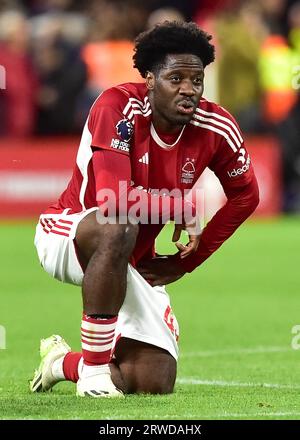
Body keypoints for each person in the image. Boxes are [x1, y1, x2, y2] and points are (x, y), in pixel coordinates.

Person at [30, 21, 259, 398]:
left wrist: (184, 262)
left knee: (152, 382)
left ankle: (62, 362)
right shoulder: (117, 106)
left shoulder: (216, 126)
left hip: (132, 258)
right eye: (176, 78)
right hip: (69, 235)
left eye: (197, 80)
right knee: (118, 225)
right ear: (150, 79)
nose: (189, 90)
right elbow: (112, 201)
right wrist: (180, 206)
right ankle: (95, 377)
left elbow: (246, 196)